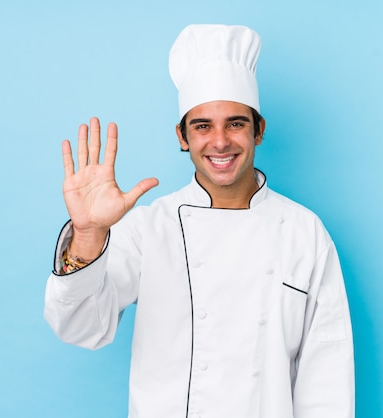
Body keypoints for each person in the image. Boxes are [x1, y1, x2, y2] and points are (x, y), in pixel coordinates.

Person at [44, 24, 354, 418]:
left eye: (236, 123)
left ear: (259, 130)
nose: (220, 141)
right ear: (182, 136)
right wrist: (88, 235)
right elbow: (80, 326)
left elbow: (326, 378)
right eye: (202, 126)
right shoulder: (148, 229)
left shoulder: (304, 233)